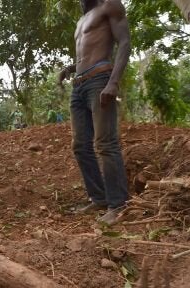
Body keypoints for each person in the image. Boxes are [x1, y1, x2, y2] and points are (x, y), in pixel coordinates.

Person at [58, 0, 130, 225]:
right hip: (78, 86)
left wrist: (113, 83)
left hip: (100, 80)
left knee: (105, 143)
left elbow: (125, 42)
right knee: (80, 146)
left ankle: (118, 205)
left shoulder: (110, 5)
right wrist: (70, 69)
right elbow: (86, 52)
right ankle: (99, 198)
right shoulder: (81, 20)